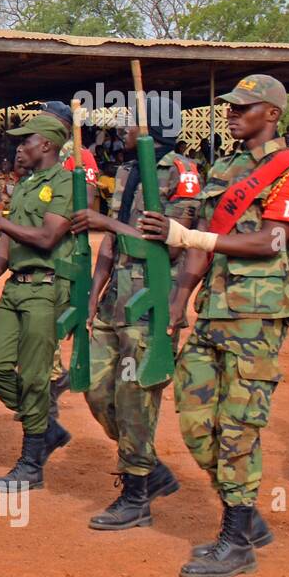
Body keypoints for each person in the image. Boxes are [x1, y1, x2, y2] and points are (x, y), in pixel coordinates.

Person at [140, 75, 289, 577]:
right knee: (197, 422)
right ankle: (246, 514)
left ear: (273, 115)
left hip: (257, 314)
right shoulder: (225, 166)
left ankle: (236, 539)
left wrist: (187, 233)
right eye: (231, 106)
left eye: (245, 107)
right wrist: (179, 300)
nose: (232, 113)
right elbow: (204, 244)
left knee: (239, 427)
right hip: (215, 309)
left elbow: (272, 243)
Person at [70, 94, 199, 529]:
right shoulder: (124, 171)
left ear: (152, 129)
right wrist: (92, 296)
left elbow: (177, 240)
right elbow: (109, 241)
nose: (121, 131)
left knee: (136, 398)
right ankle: (149, 467)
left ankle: (136, 491)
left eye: (130, 125)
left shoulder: (182, 174)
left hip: (151, 299)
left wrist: (108, 225)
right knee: (96, 389)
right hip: (114, 298)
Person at [0, 113, 74, 490]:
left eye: (25, 141)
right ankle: (45, 427)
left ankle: (31, 465)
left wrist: (0, 223)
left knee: (35, 378)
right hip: (15, 287)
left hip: (46, 289)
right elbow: (5, 246)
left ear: (46, 145)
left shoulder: (65, 182)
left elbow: (49, 236)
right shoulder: (25, 186)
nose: (19, 147)